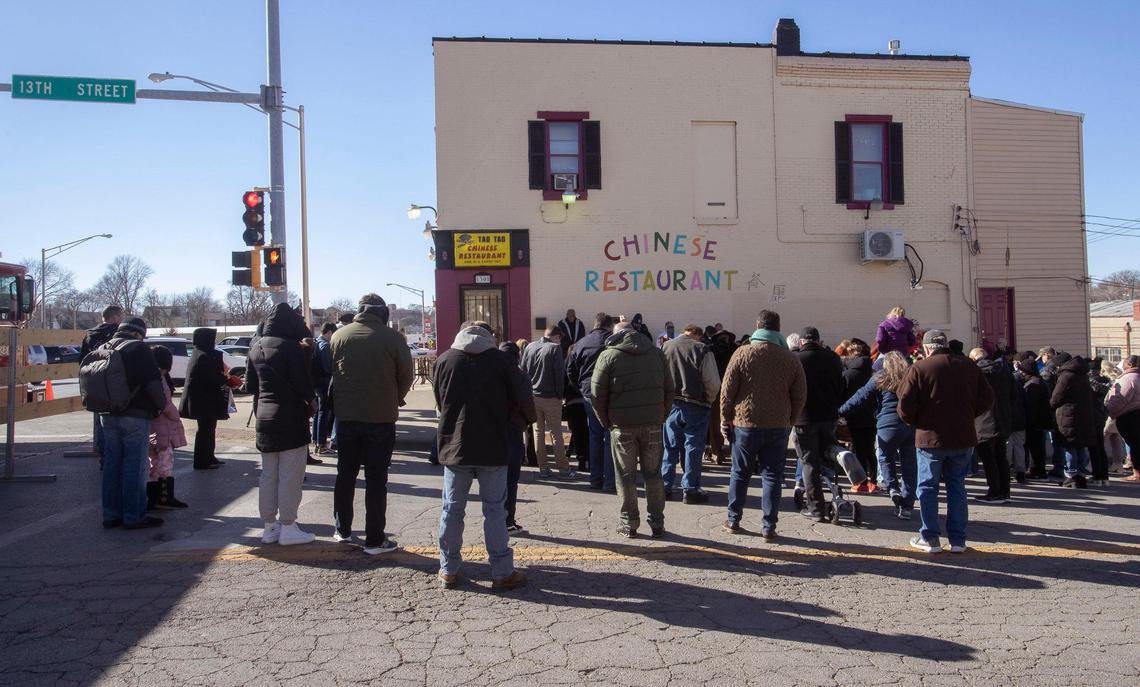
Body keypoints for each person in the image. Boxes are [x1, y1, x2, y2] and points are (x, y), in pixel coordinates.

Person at [434, 322, 529, 590]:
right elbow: (518, 399)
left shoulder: (445, 360)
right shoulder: (502, 361)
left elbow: (440, 402)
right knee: (495, 510)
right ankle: (502, 571)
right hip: (493, 445)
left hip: (456, 445)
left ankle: (448, 569)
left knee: (452, 510)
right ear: (490, 337)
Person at [330, 293, 414, 554]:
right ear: (383, 313)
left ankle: (342, 530)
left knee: (345, 475)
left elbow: (331, 371)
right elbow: (406, 375)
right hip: (381, 417)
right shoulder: (393, 338)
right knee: (376, 480)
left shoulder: (339, 336)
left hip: (346, 416)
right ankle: (375, 539)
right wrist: (395, 398)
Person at [897, 329, 993, 553]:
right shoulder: (969, 366)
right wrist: (968, 415)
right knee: (957, 486)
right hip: (962, 436)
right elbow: (987, 398)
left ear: (927, 348)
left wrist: (919, 421)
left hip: (930, 438)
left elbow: (904, 406)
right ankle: (958, 540)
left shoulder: (920, 368)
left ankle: (930, 537)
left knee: (928, 487)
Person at [720, 310, 806, 539]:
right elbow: (800, 394)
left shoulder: (742, 353)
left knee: (740, 473)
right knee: (772, 476)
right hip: (778, 424)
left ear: (758, 326)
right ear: (778, 328)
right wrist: (790, 419)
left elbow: (727, 391)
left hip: (745, 423)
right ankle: (769, 526)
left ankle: (733, 519)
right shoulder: (790, 358)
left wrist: (724, 418)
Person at [591, 321, 674, 538]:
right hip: (652, 424)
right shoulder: (656, 354)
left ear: (615, 335)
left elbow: (597, 394)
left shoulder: (609, 356)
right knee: (653, 475)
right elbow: (669, 389)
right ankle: (657, 523)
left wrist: (606, 421)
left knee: (625, 476)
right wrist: (661, 416)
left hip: (622, 425)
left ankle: (629, 523)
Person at [245, 303, 318, 545]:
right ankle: (288, 526)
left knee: (268, 475)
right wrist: (313, 401)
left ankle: (269, 527)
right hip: (290, 417)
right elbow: (303, 384)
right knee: (290, 475)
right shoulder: (291, 347)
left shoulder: (255, 346)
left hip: (264, 418)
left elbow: (251, 385)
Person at [96, 317, 167, 529]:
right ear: (137, 333)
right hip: (134, 414)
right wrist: (161, 405)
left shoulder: (105, 347)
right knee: (134, 466)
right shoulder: (138, 349)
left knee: (112, 465)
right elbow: (152, 382)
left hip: (107, 414)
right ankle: (133, 515)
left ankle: (111, 515)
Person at [840, 351, 916, 519]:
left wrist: (840, 412)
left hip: (887, 425)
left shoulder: (880, 377)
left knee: (886, 458)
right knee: (909, 465)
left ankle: (893, 489)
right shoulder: (912, 377)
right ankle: (907, 505)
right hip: (910, 425)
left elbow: (860, 397)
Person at [792, 326, 851, 521]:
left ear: (802, 342)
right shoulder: (833, 358)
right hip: (828, 416)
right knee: (828, 455)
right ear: (819, 341)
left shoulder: (796, 359)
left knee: (809, 462)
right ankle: (835, 493)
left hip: (804, 418)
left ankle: (816, 508)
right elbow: (842, 386)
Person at [660, 325, 721, 503]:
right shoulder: (702, 349)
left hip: (671, 404)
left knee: (670, 446)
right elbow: (712, 382)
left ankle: (665, 486)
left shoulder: (666, 347)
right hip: (696, 404)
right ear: (697, 335)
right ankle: (691, 489)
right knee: (693, 447)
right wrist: (709, 400)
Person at [566, 313, 617, 491]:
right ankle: (609, 481)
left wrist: (580, 386)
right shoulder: (613, 341)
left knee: (594, 436)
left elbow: (570, 370)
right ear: (609, 326)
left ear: (595, 324)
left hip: (589, 393)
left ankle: (595, 479)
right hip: (610, 392)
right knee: (610, 436)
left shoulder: (581, 343)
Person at [521, 325, 575, 479]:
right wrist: (560, 395)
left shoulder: (530, 347)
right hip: (551, 397)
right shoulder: (555, 349)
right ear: (556, 337)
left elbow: (523, 371)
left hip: (533, 396)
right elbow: (559, 375)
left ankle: (543, 468)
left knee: (538, 433)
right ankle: (563, 469)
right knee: (556, 433)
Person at [498, 341, 537, 534]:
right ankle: (507, 519)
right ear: (518, 356)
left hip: (494, 430)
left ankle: (495, 519)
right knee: (511, 478)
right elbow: (527, 403)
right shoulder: (521, 376)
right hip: (514, 428)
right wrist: (530, 419)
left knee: (494, 477)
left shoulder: (492, 374)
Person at [179, 328, 229, 470]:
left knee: (209, 428)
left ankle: (209, 456)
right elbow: (212, 377)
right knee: (205, 430)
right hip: (203, 400)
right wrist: (226, 380)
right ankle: (202, 460)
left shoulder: (200, 353)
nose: (214, 342)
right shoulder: (204, 356)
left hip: (204, 399)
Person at [80, 305, 125, 459]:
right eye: (121, 316)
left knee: (100, 418)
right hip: (113, 382)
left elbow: (82, 360)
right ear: (114, 318)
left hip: (93, 381)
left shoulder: (90, 335)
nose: (122, 320)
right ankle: (112, 456)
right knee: (114, 422)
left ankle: (103, 453)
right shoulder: (116, 333)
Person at [969, 348, 1014, 503]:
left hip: (983, 421)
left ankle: (995, 491)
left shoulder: (976, 374)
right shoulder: (1004, 371)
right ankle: (1005, 492)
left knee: (989, 459)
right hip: (1002, 420)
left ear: (973, 359)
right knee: (1001, 457)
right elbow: (1013, 395)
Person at [147, 346, 188, 511]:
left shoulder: (146, 375)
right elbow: (165, 403)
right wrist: (175, 415)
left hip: (150, 427)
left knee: (152, 462)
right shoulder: (160, 378)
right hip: (163, 427)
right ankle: (165, 497)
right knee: (165, 462)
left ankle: (152, 498)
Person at [1050, 353, 1095, 488]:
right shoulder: (1083, 374)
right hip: (1084, 414)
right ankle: (1080, 474)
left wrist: (1051, 405)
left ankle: (1071, 474)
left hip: (1068, 414)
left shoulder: (1066, 376)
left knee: (1069, 445)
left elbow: (1056, 397)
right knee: (1080, 444)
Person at [840, 339, 877, 491]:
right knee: (870, 449)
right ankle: (873, 480)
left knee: (858, 448)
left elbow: (842, 396)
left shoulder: (847, 375)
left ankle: (861, 482)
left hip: (853, 415)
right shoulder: (874, 373)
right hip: (872, 416)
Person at [1105, 355, 1140, 481]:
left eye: (1124, 362)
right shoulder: (1136, 377)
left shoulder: (1128, 379)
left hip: (1130, 416)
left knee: (1135, 445)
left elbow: (1119, 399)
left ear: (1130, 365)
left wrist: (1109, 412)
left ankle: (1137, 474)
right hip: (1135, 414)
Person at [1019, 357, 1053, 479]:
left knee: (1034, 447)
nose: (1021, 373)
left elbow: (1031, 406)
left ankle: (1035, 470)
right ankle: (1039, 469)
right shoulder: (1038, 381)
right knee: (1038, 447)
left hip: (1034, 421)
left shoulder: (1033, 385)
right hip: (1040, 421)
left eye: (1022, 371)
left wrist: (1028, 421)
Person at [312, 322, 336, 457]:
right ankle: (321, 445)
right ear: (330, 332)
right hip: (324, 384)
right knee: (324, 413)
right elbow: (329, 367)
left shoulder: (317, 343)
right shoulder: (325, 346)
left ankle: (316, 441)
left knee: (318, 412)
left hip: (317, 383)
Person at [1101, 360, 1127, 475]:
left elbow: (1108, 399)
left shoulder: (1111, 381)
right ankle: (1118, 464)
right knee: (1115, 438)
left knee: (1102, 438)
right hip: (1119, 412)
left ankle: (1096, 464)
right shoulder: (1120, 378)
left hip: (1110, 413)